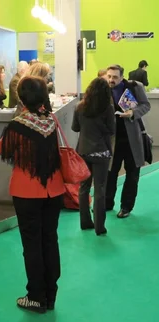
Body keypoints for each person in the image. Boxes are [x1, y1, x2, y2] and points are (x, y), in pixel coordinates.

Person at [0, 76, 64, 313]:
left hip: (26, 191)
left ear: (22, 96)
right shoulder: (51, 121)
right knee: (50, 239)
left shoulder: (18, 124)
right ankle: (50, 294)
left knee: (32, 244)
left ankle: (35, 296)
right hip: (54, 190)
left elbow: (2, 149)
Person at [105, 64, 151, 218]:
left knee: (132, 174)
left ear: (122, 77)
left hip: (132, 138)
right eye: (109, 76)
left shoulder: (134, 87)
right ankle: (107, 202)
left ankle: (126, 207)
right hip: (112, 140)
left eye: (115, 77)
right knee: (110, 173)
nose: (111, 80)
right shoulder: (102, 88)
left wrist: (132, 112)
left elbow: (146, 105)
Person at [72, 78, 116, 235]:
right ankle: (99, 226)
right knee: (100, 189)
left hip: (83, 151)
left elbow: (75, 128)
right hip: (101, 152)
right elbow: (111, 130)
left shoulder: (79, 107)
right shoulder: (108, 108)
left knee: (83, 188)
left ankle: (85, 222)